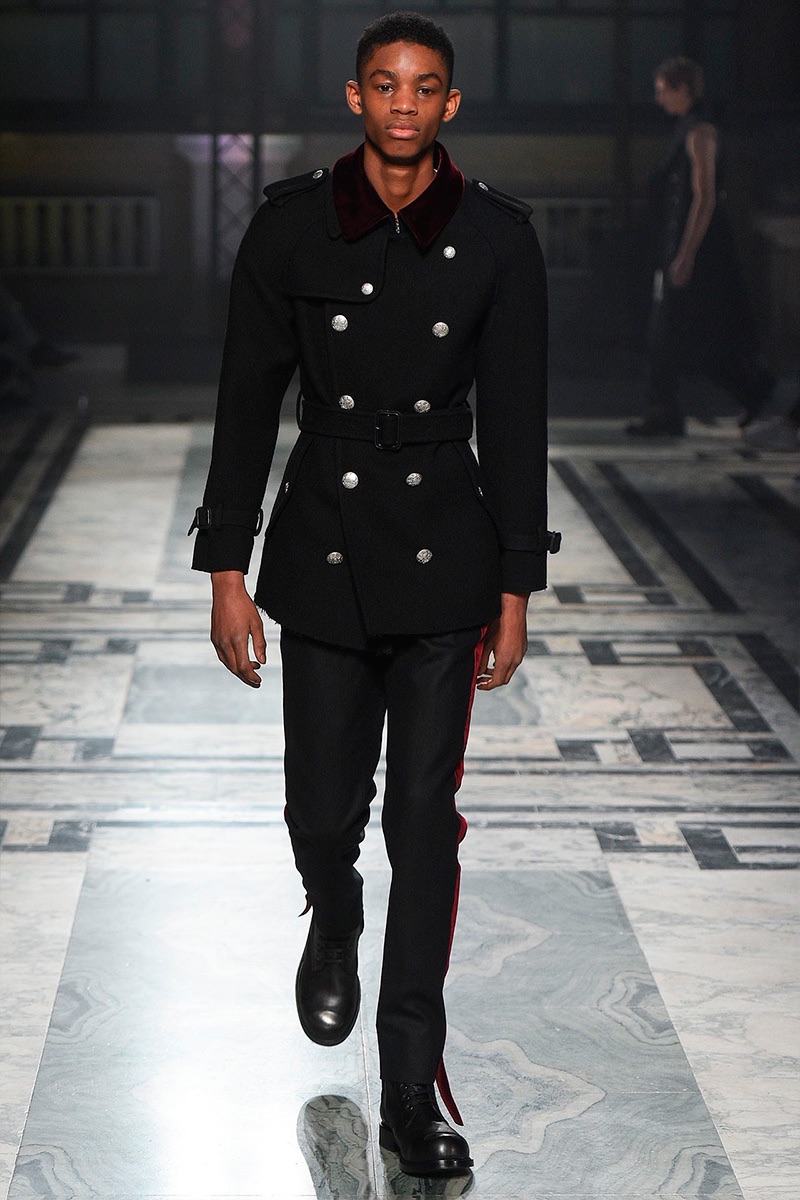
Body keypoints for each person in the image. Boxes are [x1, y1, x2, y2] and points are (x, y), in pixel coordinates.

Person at [189, 10, 559, 1177]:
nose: (404, 105)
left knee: (423, 827)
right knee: (320, 808)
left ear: (450, 103)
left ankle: (410, 1092)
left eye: (424, 87)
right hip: (323, 550)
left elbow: (517, 423)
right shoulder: (291, 227)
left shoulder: (495, 239)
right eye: (385, 85)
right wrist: (226, 570)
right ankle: (334, 904)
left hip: (446, 553)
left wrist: (515, 587)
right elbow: (245, 402)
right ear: (356, 97)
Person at [627, 57, 774, 436]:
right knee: (674, 332)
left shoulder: (701, 133)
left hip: (699, 250)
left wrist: (686, 255)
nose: (659, 99)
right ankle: (671, 410)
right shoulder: (687, 129)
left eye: (664, 90)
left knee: (690, 332)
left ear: (682, 90)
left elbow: (704, 198)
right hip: (680, 244)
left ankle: (748, 388)